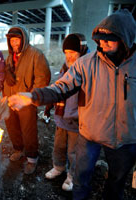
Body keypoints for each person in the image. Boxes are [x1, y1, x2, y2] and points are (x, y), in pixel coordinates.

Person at [8, 9, 136, 200]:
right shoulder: (86, 64)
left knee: (116, 183)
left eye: (110, 39)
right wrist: (33, 96)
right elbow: (61, 87)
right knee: (80, 179)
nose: (103, 43)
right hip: (90, 133)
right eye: (100, 38)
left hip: (125, 139)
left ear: (125, 39)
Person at [44, 33, 89, 192]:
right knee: (59, 146)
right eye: (66, 53)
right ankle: (58, 167)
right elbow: (57, 90)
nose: (69, 56)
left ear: (81, 51)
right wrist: (48, 108)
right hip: (61, 118)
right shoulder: (65, 68)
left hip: (77, 121)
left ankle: (72, 176)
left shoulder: (88, 70)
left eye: (73, 53)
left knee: (74, 151)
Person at [4, 25, 51, 174]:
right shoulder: (10, 57)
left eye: (17, 39)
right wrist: (6, 75)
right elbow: (6, 76)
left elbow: (43, 78)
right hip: (11, 99)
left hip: (26, 101)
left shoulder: (35, 55)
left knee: (29, 130)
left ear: (23, 39)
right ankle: (19, 149)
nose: (14, 43)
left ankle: (32, 158)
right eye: (12, 40)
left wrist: (31, 96)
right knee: (12, 127)